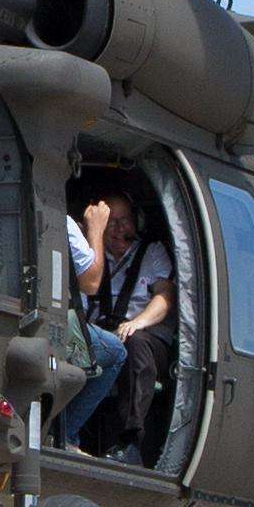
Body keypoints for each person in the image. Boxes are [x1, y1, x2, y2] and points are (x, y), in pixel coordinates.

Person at [63, 174, 176, 461]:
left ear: (135, 223)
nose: (118, 228)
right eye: (111, 221)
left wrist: (138, 322)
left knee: (135, 344)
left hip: (145, 335)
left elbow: (165, 297)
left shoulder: (152, 253)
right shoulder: (90, 254)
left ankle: (131, 443)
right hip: (102, 330)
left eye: (124, 220)